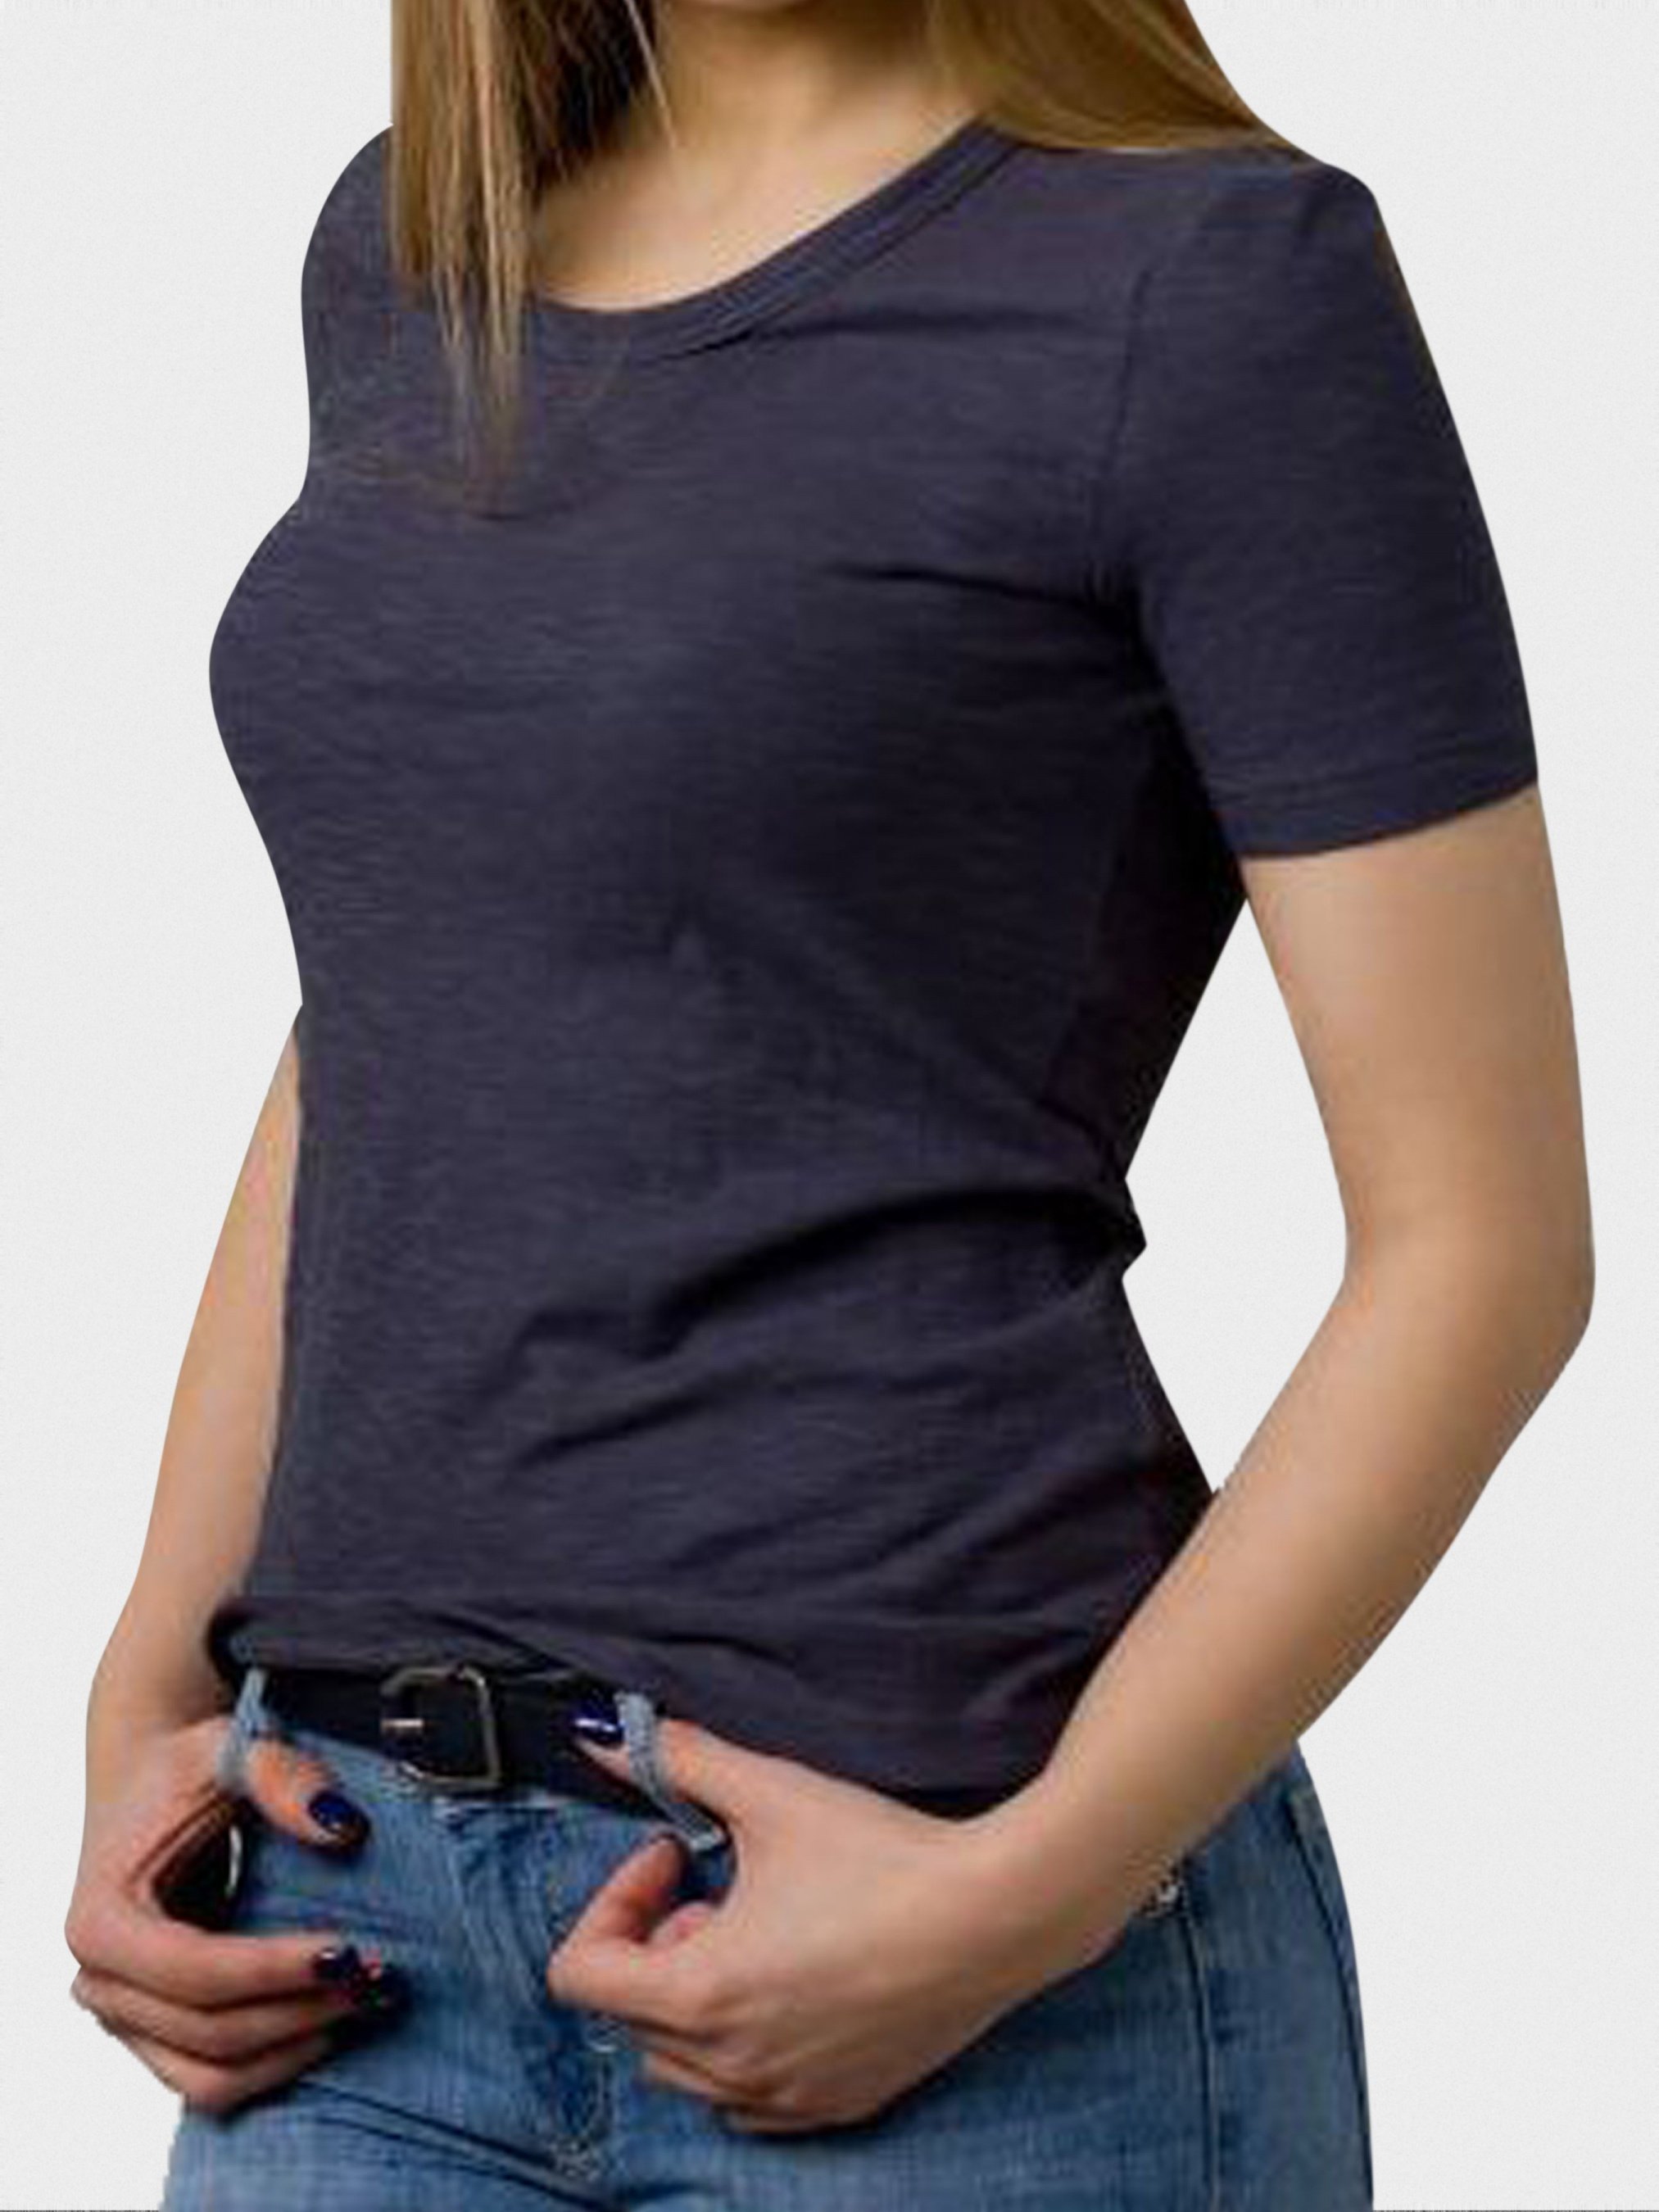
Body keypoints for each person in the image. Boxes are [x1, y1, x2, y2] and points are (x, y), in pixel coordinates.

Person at [65, 2, 1592, 2206]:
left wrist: (1025, 1897)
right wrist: (145, 1693)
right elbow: (393, 1025)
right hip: (348, 1938)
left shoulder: (1212, 284)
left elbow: (1483, 1245)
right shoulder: (422, 248)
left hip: (954, 1950)